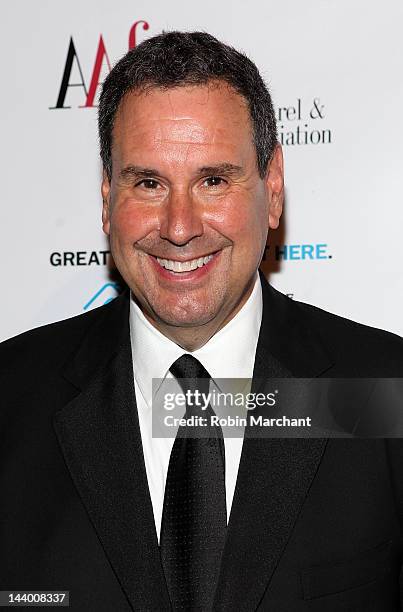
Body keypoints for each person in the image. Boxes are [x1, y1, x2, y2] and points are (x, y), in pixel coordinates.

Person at [1, 31, 403, 612]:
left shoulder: (383, 393)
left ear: (272, 187)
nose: (180, 225)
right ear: (107, 195)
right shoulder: (10, 400)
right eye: (148, 182)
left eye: (213, 180)